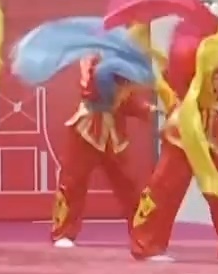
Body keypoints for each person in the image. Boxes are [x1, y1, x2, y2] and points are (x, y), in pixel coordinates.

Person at [129, 19, 218, 262]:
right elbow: (177, 82)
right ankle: (146, 244)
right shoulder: (189, 54)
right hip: (185, 124)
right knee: (166, 185)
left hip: (212, 125)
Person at [49, 47, 155, 248]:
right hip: (87, 129)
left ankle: (143, 233)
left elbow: (128, 99)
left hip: (114, 135)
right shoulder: (91, 61)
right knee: (73, 182)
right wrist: (116, 83)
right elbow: (91, 91)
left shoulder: (123, 62)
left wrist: (147, 108)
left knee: (130, 184)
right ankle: (63, 231)